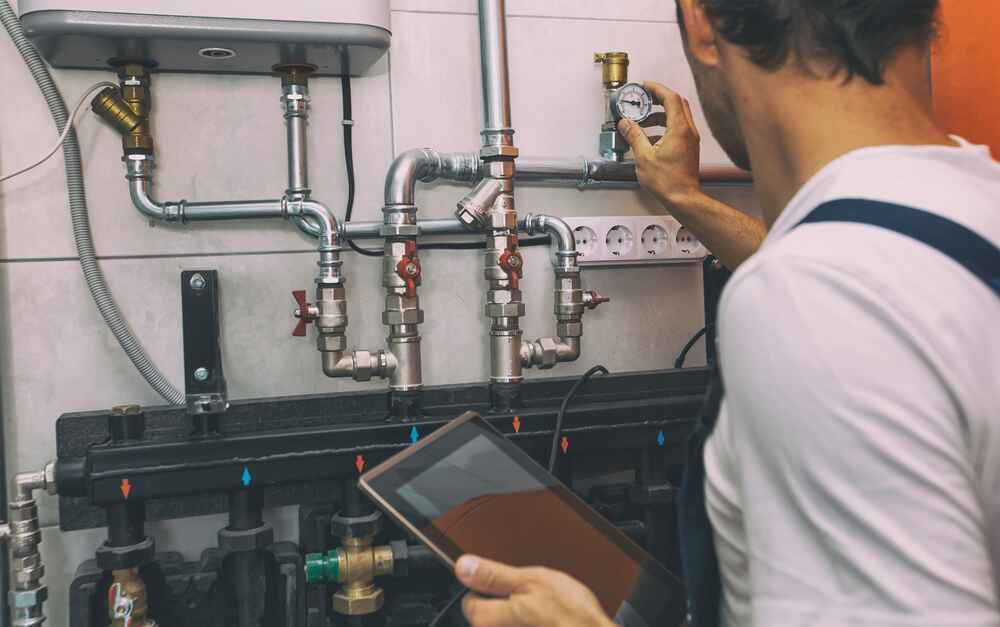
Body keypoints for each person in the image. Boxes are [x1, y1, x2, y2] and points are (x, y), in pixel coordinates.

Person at [453, 0, 1000, 625]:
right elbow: (876, 272)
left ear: (701, 21)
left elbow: (839, 297)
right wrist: (683, 197)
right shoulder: (970, 203)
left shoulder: (814, 301)